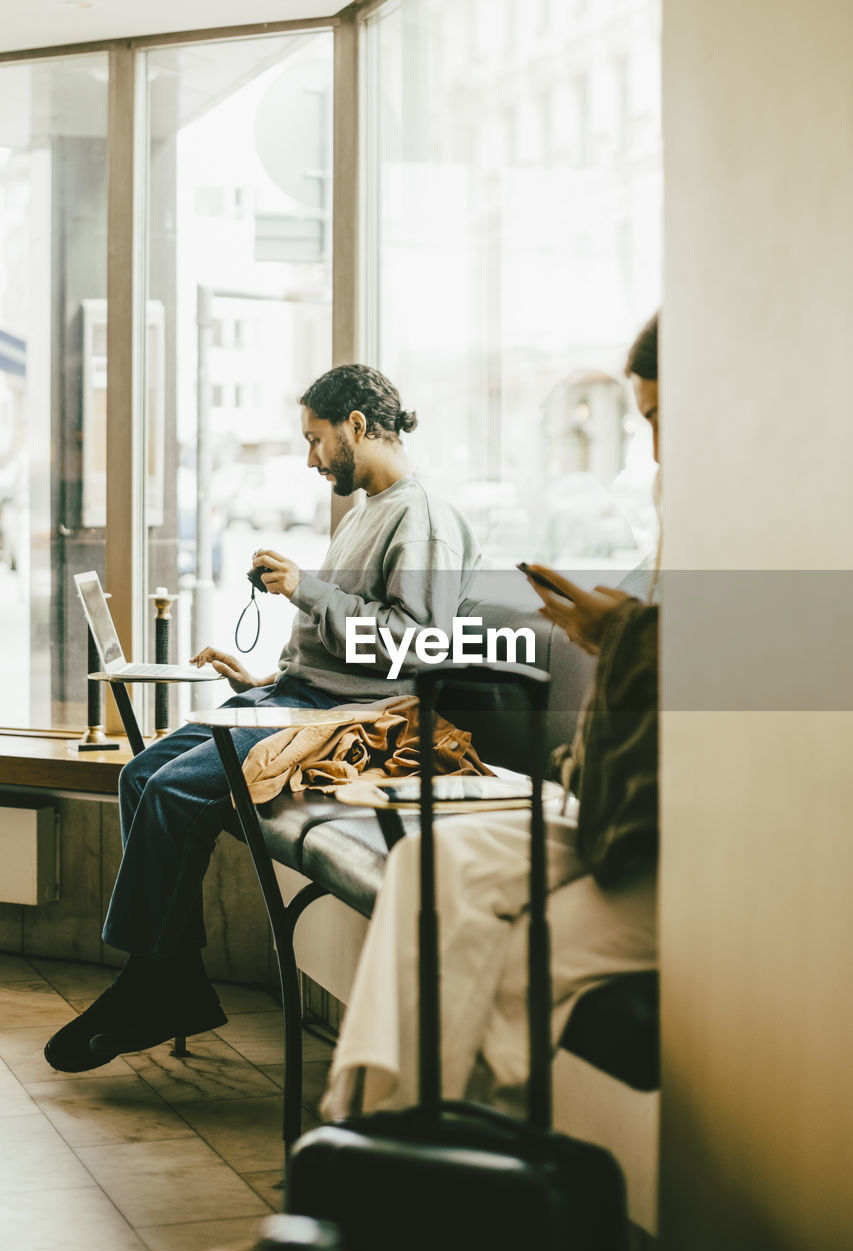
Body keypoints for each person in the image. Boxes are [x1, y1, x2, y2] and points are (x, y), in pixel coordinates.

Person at [44, 363, 481, 1074]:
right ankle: (171, 980)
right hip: (302, 694)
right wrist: (267, 678)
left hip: (347, 716)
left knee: (173, 791)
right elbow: (346, 641)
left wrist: (304, 589)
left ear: (358, 427)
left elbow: (414, 644)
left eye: (316, 441)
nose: (311, 459)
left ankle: (151, 982)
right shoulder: (371, 508)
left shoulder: (420, 517)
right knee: (140, 774)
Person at [321, 316, 660, 1118]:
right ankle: (356, 1138)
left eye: (657, 421)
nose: (653, 450)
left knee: (502, 960)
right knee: (424, 867)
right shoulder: (677, 503)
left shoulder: (421, 514)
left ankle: (403, 1168)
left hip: (666, 828)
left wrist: (617, 635)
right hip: (613, 804)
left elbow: (406, 643)